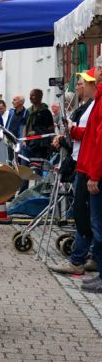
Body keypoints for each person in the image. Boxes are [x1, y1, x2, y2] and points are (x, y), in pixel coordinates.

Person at [50, 68, 97, 275]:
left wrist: (74, 131)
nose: (80, 85)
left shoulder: (95, 104)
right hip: (83, 163)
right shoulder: (90, 105)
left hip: (87, 165)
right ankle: (90, 257)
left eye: (84, 82)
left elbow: (95, 137)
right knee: (87, 215)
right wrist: (73, 130)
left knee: (83, 215)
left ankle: (78, 259)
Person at [72, 56, 102, 292]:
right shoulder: (97, 100)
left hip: (94, 170)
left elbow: (98, 140)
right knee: (93, 222)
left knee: (97, 224)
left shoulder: (99, 101)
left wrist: (94, 173)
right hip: (88, 165)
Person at [24, 88, 55, 161]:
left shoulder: (46, 112)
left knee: (37, 167)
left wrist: (37, 132)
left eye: (33, 95)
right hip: (29, 144)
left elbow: (51, 129)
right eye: (30, 95)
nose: (30, 97)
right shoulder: (28, 111)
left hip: (41, 146)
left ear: (40, 97)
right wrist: (24, 140)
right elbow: (25, 126)